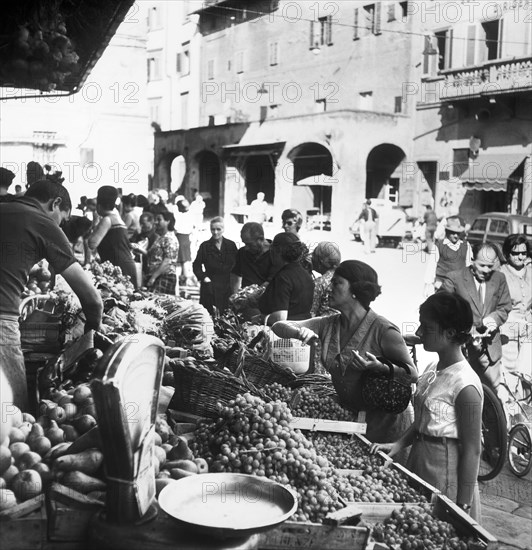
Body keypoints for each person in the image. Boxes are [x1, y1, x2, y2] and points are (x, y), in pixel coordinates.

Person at [272, 260, 417, 445]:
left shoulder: (384, 330)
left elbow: (413, 374)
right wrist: (298, 332)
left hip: (386, 426)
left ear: (355, 290)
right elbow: (278, 326)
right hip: (352, 420)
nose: (329, 288)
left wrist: (379, 366)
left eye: (337, 283)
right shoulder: (328, 324)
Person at [371, 292, 483, 522]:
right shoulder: (433, 368)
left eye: (427, 327)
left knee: (436, 529)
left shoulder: (466, 384)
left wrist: (462, 505)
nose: (420, 332)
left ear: (450, 333)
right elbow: (423, 420)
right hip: (420, 460)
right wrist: (398, 444)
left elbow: (473, 450)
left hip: (445, 470)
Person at [0, 179, 103, 409]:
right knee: (16, 412)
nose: (61, 225)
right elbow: (92, 299)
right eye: (63, 218)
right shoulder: (42, 221)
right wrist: (93, 332)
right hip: (2, 322)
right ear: (55, 203)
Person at [441, 242, 512, 392]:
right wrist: (467, 328)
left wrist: (495, 318)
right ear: (472, 260)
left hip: (491, 351)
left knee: (491, 396)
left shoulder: (499, 278)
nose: (486, 271)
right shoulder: (454, 278)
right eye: (482, 265)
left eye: (490, 266)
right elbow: (442, 309)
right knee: (465, 394)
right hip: (463, 351)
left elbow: (504, 306)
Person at [500, 234, 532, 402]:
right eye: (515, 253)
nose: (520, 257)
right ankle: (510, 409)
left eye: (524, 253)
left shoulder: (531, 271)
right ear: (507, 254)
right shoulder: (500, 273)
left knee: (528, 371)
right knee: (510, 370)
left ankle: (527, 410)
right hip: (509, 328)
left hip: (529, 329)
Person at [258, 232, 314, 325]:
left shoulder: (283, 278)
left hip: (285, 334)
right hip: (303, 329)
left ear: (277, 251)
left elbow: (280, 317)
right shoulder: (306, 275)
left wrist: (261, 318)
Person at [88, 186, 138, 288]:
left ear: (99, 205)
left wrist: (95, 222)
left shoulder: (107, 220)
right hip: (125, 265)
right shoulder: (117, 217)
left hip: (119, 267)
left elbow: (92, 243)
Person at [193, 217, 238, 315]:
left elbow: (237, 265)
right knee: (209, 315)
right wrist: (204, 278)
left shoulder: (231, 245)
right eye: (213, 229)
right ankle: (209, 330)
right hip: (210, 286)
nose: (215, 232)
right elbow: (196, 265)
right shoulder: (205, 246)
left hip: (227, 286)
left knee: (227, 316)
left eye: (218, 229)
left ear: (223, 229)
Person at [424, 216, 472, 297]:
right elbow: (432, 265)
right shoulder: (439, 245)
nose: (456, 236)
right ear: (447, 232)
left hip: (460, 284)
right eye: (453, 233)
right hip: (442, 283)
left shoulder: (466, 245)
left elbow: (469, 265)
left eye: (458, 233)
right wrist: (427, 285)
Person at [232, 222, 276, 291]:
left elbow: (271, 282)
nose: (246, 248)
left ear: (260, 239)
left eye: (249, 244)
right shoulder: (242, 252)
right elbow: (235, 274)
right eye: (244, 243)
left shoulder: (275, 254)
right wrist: (235, 294)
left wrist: (252, 295)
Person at [146, 211, 179, 294]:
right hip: (157, 276)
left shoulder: (170, 239)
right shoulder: (161, 238)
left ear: (168, 221)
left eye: (159, 220)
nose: (156, 222)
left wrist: (153, 277)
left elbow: (167, 262)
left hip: (165, 277)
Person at [311, 241, 341, 317]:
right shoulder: (342, 278)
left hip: (324, 325)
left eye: (314, 255)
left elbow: (312, 313)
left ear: (320, 262)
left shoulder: (319, 283)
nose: (311, 258)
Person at [174, 198, 195, 287]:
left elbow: (176, 228)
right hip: (187, 239)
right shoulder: (190, 215)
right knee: (186, 259)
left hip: (180, 237)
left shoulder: (179, 216)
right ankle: (186, 280)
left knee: (179, 261)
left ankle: (177, 280)